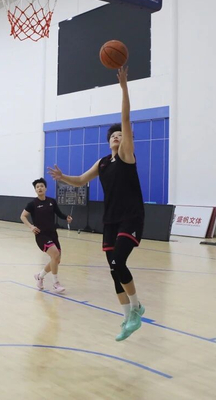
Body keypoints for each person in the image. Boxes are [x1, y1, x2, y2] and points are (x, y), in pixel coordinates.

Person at [49, 67, 145, 341]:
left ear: (126, 140)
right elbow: (81, 180)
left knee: (119, 261)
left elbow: (125, 118)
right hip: (110, 219)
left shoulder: (127, 155)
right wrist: (62, 177)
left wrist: (124, 87)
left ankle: (137, 308)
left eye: (120, 135)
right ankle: (126, 318)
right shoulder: (103, 163)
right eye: (113, 135)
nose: (116, 136)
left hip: (131, 216)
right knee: (114, 269)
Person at [20, 178, 72, 294]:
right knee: (55, 254)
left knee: (56, 260)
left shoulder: (51, 201)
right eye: (37, 187)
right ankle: (56, 283)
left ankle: (40, 276)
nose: (40, 188)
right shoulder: (32, 204)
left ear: (45, 188)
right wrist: (31, 227)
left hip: (53, 234)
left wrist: (66, 218)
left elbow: (59, 213)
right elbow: (22, 216)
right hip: (41, 235)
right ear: (35, 190)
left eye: (41, 186)